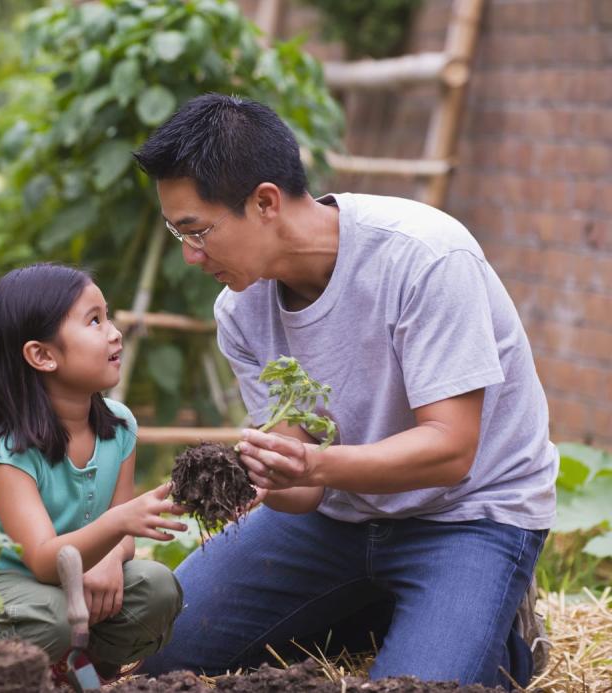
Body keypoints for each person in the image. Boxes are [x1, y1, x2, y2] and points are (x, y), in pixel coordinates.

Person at [133, 94, 557, 689]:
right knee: (163, 652)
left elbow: (451, 451)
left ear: (265, 203)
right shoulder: (240, 309)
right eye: (177, 232)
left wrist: (315, 464)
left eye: (197, 231)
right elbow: (301, 494)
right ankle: (375, 611)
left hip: (467, 516)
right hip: (336, 519)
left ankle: (497, 639)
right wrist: (272, 473)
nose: (190, 254)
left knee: (414, 685)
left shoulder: (423, 256)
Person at [0, 263, 187, 681]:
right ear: (42, 355)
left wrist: (112, 556)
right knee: (51, 619)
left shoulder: (119, 427)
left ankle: (75, 667)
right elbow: (46, 561)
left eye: (108, 315)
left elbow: (123, 542)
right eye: (94, 321)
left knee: (157, 588)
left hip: (62, 589)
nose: (114, 332)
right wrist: (117, 525)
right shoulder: (8, 451)